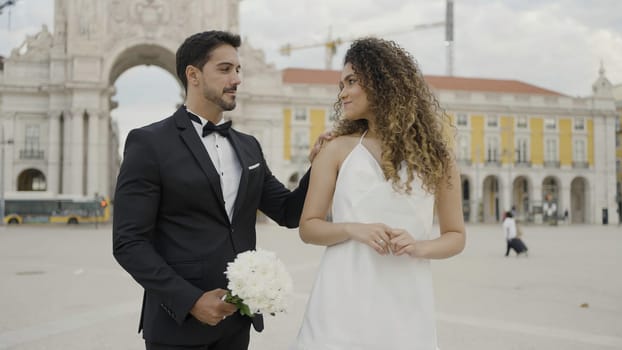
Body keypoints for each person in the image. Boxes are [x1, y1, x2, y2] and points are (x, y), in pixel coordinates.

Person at [113, 30, 320, 350]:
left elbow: (289, 212)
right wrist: (191, 301)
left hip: (237, 321)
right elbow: (129, 242)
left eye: (238, 70)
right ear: (193, 75)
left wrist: (319, 165)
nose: (236, 78)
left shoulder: (249, 147)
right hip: (177, 327)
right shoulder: (149, 143)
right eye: (225, 69)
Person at [290, 37, 466, 350]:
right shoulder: (335, 149)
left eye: (352, 81)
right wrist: (351, 229)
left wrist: (419, 246)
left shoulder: (439, 158)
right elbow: (309, 227)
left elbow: (455, 236)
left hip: (406, 300)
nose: (342, 92)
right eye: (341, 84)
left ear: (383, 82)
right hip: (340, 297)